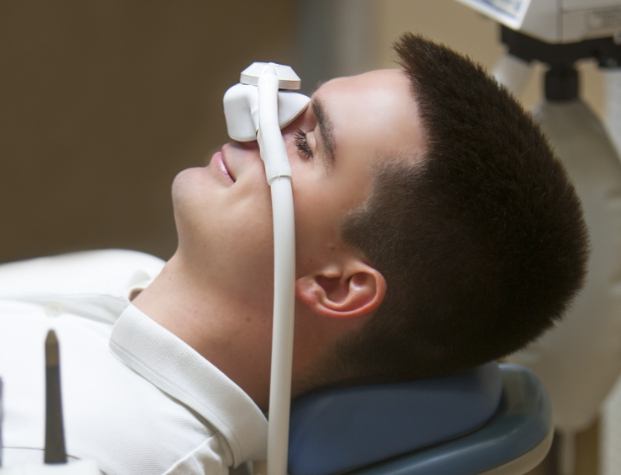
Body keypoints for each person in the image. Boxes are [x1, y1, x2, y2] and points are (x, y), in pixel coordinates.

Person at [0, 33, 588, 474]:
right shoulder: (124, 273)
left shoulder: (96, 455)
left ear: (337, 286)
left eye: (304, 142)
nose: (259, 124)